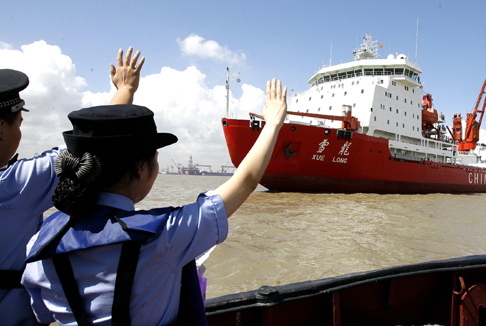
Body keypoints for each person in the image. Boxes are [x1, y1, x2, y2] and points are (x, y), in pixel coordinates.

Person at [21, 79, 287, 325]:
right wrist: (273, 122)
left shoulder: (40, 244)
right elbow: (246, 181)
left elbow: (42, 314)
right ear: (141, 169)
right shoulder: (165, 236)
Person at [0, 47, 145, 326]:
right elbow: (90, 147)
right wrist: (125, 88)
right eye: (18, 123)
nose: (20, 132)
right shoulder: (15, 185)